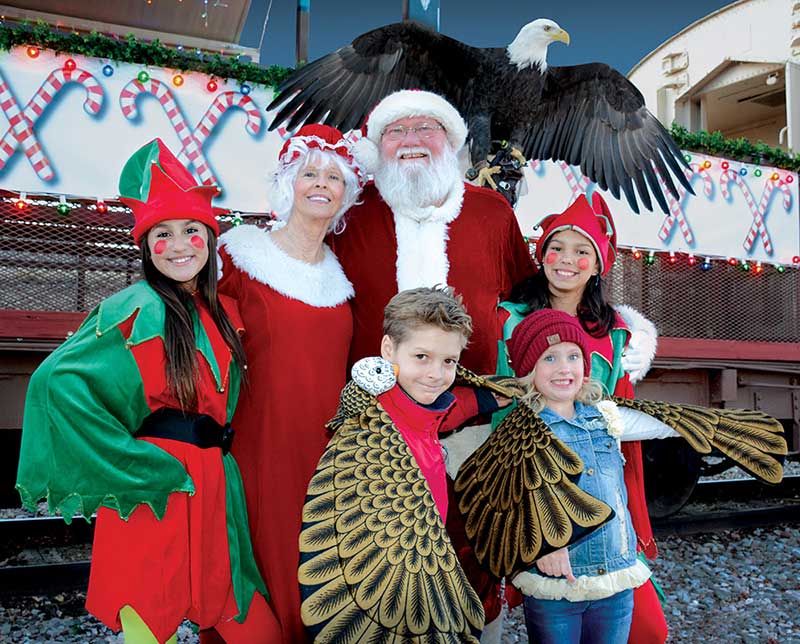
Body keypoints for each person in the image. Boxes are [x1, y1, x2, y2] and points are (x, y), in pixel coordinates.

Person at [16, 139, 279, 644]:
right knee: (145, 627)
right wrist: (134, 462)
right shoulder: (135, 308)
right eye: (163, 234)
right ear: (145, 245)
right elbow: (56, 383)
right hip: (157, 486)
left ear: (209, 238)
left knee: (247, 619)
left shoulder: (223, 313)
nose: (179, 245)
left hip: (214, 486)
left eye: (190, 231)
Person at [211, 124, 364, 644]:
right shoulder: (239, 258)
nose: (321, 184)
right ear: (288, 183)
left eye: (333, 177)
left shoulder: (342, 279)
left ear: (347, 194)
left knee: (319, 576)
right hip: (260, 447)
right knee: (266, 566)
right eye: (309, 173)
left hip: (328, 456)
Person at [498, 193, 667, 643]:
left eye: (581, 251)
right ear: (541, 256)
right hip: (541, 489)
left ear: (597, 265)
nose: (566, 260)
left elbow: (619, 420)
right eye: (557, 247)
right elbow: (503, 415)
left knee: (648, 628)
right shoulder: (512, 321)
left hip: (604, 490)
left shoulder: (612, 333)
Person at [333, 89, 535, 376]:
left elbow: (527, 298)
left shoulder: (493, 213)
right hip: (370, 410)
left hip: (474, 407)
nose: (411, 140)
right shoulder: (352, 212)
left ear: (450, 139)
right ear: (377, 147)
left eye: (426, 128)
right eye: (395, 131)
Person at [506, 308, 653, 644]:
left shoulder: (605, 418)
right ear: (529, 369)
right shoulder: (523, 429)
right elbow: (513, 498)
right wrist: (542, 543)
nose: (563, 368)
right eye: (549, 358)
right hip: (557, 585)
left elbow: (665, 425)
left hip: (614, 580)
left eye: (573, 356)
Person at [377, 286, 507, 519]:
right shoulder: (374, 437)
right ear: (389, 349)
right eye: (421, 357)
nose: (436, 374)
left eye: (448, 361)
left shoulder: (427, 421)